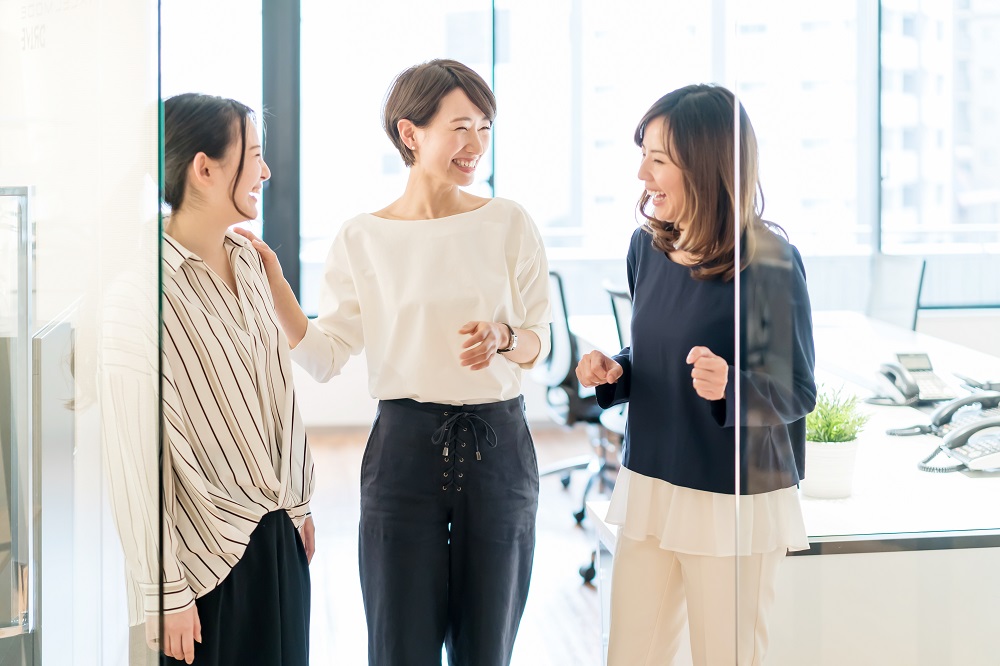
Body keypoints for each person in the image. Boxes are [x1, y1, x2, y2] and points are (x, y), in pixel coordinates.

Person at [237, 59, 550, 665]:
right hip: (404, 455)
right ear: (411, 133)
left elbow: (541, 342)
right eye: (460, 127)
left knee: (488, 649)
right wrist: (277, 283)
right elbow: (326, 355)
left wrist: (506, 337)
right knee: (398, 646)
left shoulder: (508, 222)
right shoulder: (362, 237)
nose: (475, 145)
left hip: (500, 454)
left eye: (484, 128)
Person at [576, 84, 816, 666]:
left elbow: (798, 390)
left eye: (658, 160)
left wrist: (732, 385)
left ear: (708, 166)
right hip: (653, 477)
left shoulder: (770, 262)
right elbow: (651, 354)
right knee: (631, 654)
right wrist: (617, 371)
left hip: (730, 495)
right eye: (643, 155)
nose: (642, 174)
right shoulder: (647, 249)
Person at [105, 92, 316, 666]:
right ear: (204, 168)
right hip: (204, 569)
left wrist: (297, 507)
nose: (266, 171)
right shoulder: (139, 295)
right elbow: (135, 461)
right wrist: (164, 591)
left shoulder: (249, 263)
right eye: (253, 155)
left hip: (278, 539)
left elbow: (278, 395)